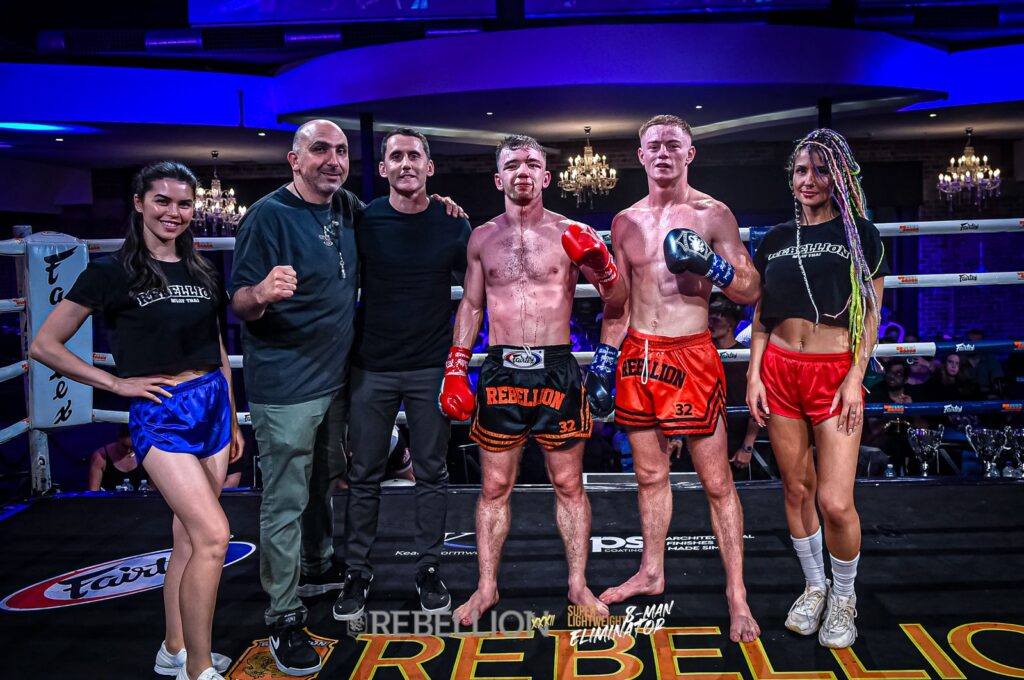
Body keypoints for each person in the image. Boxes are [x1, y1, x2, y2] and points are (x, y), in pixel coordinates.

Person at [30, 161, 244, 680]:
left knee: (188, 539)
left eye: (184, 203)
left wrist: (234, 417)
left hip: (213, 405)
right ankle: (198, 669)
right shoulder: (111, 272)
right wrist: (116, 384)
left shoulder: (201, 268)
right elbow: (44, 344)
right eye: (163, 201)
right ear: (139, 203)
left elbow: (217, 344)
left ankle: (174, 648)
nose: (175, 212)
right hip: (162, 412)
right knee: (214, 536)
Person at [440, 134, 626, 625]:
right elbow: (472, 304)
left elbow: (618, 302)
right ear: (497, 178)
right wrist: (456, 366)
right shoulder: (482, 238)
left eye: (531, 163)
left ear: (545, 176)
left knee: (568, 483)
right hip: (501, 367)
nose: (521, 171)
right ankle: (486, 587)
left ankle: (578, 585)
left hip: (556, 368)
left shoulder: (571, 232)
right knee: (494, 486)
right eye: (512, 165)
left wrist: (604, 267)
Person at [591, 114, 761, 643]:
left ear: (690, 154)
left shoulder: (714, 213)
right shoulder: (624, 222)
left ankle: (737, 595)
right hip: (638, 356)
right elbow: (618, 305)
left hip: (691, 354)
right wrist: (604, 361)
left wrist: (713, 265)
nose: (663, 153)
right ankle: (651, 571)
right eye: (654, 146)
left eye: (673, 145)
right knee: (649, 476)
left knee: (717, 482)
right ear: (640, 156)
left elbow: (750, 288)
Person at [745, 128, 890, 649]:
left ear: (839, 176)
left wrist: (855, 377)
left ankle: (844, 597)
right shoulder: (775, 239)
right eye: (801, 171)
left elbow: (870, 315)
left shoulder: (862, 236)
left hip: (834, 373)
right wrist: (754, 372)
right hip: (780, 370)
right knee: (796, 489)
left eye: (821, 170)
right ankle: (814, 587)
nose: (809, 180)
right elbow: (762, 315)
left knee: (834, 500)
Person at [230, 120, 357, 676]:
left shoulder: (345, 205)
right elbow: (238, 300)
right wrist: (260, 292)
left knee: (323, 477)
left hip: (335, 378)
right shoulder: (267, 215)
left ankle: (317, 563)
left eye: (341, 151)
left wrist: (441, 204)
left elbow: (396, 214)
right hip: (285, 384)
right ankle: (283, 614)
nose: (333, 159)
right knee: (285, 497)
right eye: (320, 149)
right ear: (294, 159)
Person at [335, 128, 470, 621]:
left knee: (431, 472)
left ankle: (429, 567)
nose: (406, 163)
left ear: (429, 167)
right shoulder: (364, 220)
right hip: (371, 365)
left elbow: (476, 293)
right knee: (364, 473)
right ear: (384, 168)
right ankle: (356, 571)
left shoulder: (453, 222)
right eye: (396, 156)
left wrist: (459, 360)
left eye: (415, 155)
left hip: (431, 365)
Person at [708, 293, 764, 477]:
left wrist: (747, 446)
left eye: (716, 319)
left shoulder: (746, 357)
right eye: (709, 318)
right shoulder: (702, 356)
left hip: (736, 439)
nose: (710, 323)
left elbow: (758, 403)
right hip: (708, 434)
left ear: (731, 322)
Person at [88, 423, 149, 491]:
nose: (128, 451)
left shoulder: (147, 455)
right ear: (118, 437)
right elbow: (93, 493)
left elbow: (154, 491)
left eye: (132, 447)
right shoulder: (100, 457)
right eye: (124, 446)